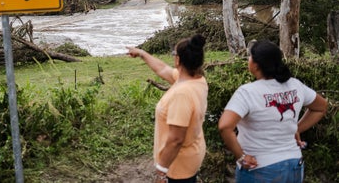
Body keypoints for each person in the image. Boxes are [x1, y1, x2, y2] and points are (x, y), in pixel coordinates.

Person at [218, 40, 328, 183]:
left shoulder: (247, 92)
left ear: (256, 65)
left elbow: (225, 126)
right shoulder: (295, 85)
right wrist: (296, 128)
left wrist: (241, 157)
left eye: (249, 57)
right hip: (294, 165)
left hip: (259, 167)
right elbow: (321, 107)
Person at [127, 34, 208, 183]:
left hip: (178, 166)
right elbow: (163, 69)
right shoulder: (197, 80)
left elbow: (176, 139)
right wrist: (142, 54)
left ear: (178, 60)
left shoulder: (182, 94)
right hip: (191, 155)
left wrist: (162, 171)